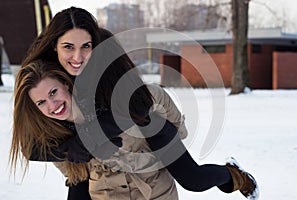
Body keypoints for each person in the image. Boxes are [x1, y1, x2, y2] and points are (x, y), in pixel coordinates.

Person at [17, 6, 259, 200]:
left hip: (147, 124)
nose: (77, 57)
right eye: (68, 47)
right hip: (92, 144)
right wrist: (71, 150)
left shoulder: (108, 57)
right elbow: (30, 146)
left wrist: (89, 137)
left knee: (192, 180)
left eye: (86, 46)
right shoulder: (43, 74)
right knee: (79, 186)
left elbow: (140, 106)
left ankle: (234, 175)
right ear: (54, 47)